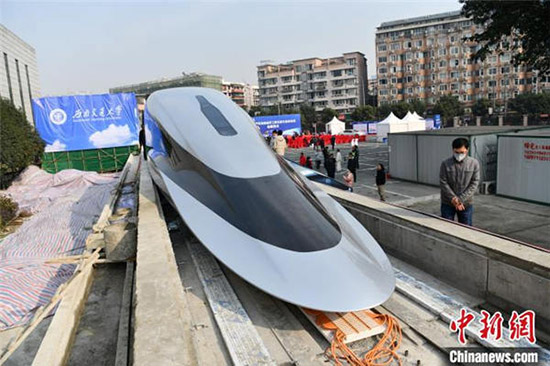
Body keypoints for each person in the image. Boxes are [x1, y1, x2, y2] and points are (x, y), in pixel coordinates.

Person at [440, 137, 480, 226]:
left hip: (466, 203)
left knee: (466, 229)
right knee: (446, 227)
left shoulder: (474, 163)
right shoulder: (445, 164)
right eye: (456, 152)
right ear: (453, 150)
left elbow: (474, 183)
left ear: (467, 150)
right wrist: (453, 198)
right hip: (448, 203)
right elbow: (443, 182)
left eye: (462, 152)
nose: (459, 155)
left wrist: (460, 200)